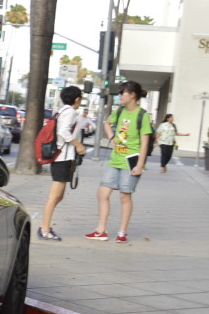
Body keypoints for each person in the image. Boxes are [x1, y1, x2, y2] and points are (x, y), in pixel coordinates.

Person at [87, 81, 153, 244]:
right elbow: (107, 123)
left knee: (124, 196)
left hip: (131, 161)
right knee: (102, 193)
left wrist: (140, 165)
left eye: (122, 93)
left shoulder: (142, 115)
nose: (120, 96)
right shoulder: (120, 110)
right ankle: (101, 231)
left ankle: (122, 232)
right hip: (115, 159)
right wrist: (111, 137)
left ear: (132, 95)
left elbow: (145, 142)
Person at [37, 85, 87, 241]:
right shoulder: (70, 112)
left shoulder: (62, 110)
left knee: (59, 196)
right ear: (77, 99)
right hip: (62, 158)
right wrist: (78, 144)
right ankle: (44, 229)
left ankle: (45, 226)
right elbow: (63, 132)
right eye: (80, 99)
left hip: (62, 157)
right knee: (54, 196)